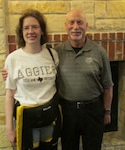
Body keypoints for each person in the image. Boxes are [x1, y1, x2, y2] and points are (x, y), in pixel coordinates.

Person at [55, 9, 113, 150]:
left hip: (93, 111)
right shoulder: (56, 52)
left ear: (86, 26)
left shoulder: (99, 52)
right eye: (72, 22)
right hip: (67, 112)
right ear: (65, 26)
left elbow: (108, 85)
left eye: (80, 22)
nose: (76, 27)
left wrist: (107, 111)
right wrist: (11, 71)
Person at [4, 9, 61, 150]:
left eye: (35, 27)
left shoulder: (52, 55)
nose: (31, 31)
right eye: (26, 28)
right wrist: (9, 128)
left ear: (42, 31)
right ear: (21, 32)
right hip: (25, 121)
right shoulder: (13, 59)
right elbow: (10, 94)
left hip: (49, 117)